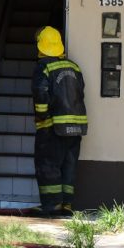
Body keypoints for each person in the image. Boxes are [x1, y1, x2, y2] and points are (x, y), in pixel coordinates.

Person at [31, 26, 87, 217]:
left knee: (48, 165)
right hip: (77, 128)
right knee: (69, 166)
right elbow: (81, 92)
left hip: (52, 128)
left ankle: (51, 207)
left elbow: (40, 93)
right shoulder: (74, 67)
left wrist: (41, 115)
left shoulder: (44, 67)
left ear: (41, 46)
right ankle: (66, 206)